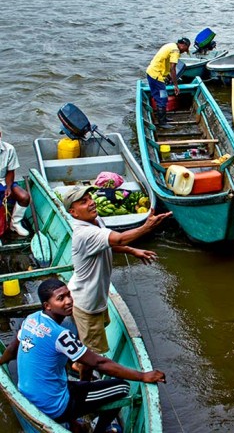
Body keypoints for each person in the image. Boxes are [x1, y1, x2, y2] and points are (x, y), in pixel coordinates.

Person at [0, 278, 166, 433]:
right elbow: (99, 363)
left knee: (66, 377)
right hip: (53, 406)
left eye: (69, 295)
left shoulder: (31, 319)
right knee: (122, 387)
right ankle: (100, 430)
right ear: (47, 305)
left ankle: (73, 421)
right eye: (60, 298)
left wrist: (0, 362)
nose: (69, 301)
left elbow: (13, 349)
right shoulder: (61, 335)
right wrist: (143, 376)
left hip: (27, 393)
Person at [62, 185, 172, 379]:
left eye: (90, 198)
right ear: (73, 212)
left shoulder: (96, 221)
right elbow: (119, 239)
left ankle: (78, 360)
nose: (91, 202)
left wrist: (132, 251)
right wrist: (146, 227)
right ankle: (85, 384)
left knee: (92, 338)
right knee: (92, 357)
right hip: (87, 303)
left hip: (96, 297)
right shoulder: (84, 233)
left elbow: (111, 243)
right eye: (83, 202)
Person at [146, 37, 191, 129]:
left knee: (162, 97)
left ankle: (164, 118)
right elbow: (172, 68)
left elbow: (164, 62)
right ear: (183, 46)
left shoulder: (171, 45)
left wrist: (168, 76)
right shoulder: (175, 51)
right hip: (156, 76)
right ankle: (162, 122)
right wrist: (175, 85)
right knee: (162, 98)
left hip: (152, 73)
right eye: (185, 49)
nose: (184, 51)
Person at [0, 127, 30, 237]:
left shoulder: (9, 149)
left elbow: (10, 172)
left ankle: (15, 223)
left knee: (24, 197)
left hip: (3, 180)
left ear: (0, 135)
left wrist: (8, 187)